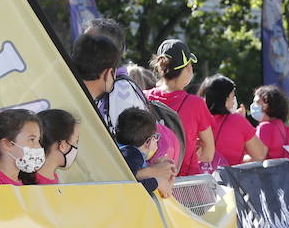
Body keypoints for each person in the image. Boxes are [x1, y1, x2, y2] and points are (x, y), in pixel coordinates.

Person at [70, 18, 174, 195]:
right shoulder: (84, 93)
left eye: (92, 45)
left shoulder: (120, 90)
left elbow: (128, 152)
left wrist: (149, 174)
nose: (83, 52)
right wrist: (151, 175)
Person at [144, 38, 215, 175]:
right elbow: (208, 155)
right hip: (186, 186)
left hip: (153, 185)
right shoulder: (196, 104)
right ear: (188, 67)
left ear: (160, 68)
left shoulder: (142, 97)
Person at [199, 75, 267, 166]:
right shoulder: (238, 121)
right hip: (229, 178)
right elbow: (260, 154)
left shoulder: (197, 119)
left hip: (198, 177)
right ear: (226, 99)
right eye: (233, 96)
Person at [32, 108, 80, 185]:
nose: (76, 146)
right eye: (76, 141)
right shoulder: (39, 184)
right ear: (63, 145)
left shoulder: (52, 177)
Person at [252, 85, 289, 160]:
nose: (253, 106)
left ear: (268, 105)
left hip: (268, 171)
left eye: (257, 102)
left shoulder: (265, 127)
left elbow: (259, 157)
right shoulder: (287, 130)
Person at [114, 107, 161, 178]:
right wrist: (157, 180)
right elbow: (137, 180)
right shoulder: (135, 156)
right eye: (155, 136)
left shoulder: (114, 147)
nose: (156, 140)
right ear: (148, 141)